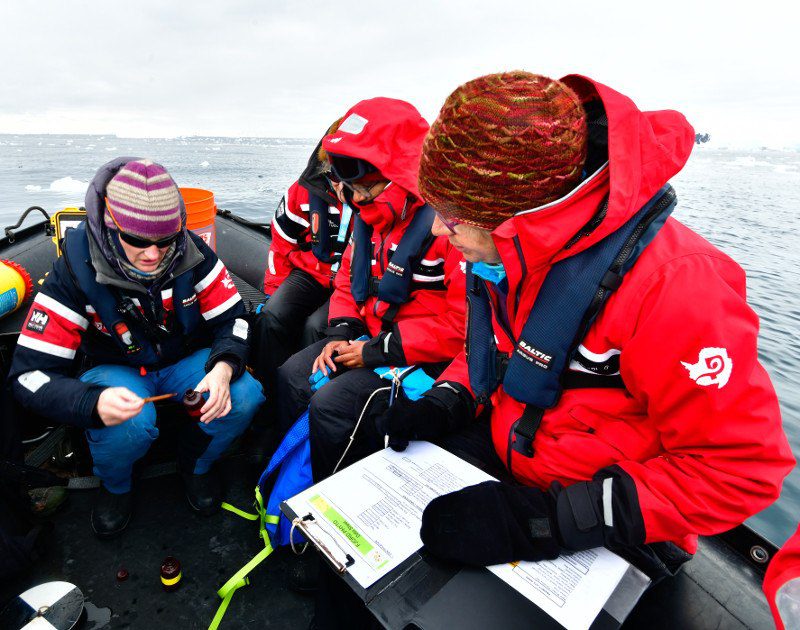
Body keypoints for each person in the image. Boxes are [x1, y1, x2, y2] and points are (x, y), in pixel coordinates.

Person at [374, 72, 795, 580]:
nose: (439, 229)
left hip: (614, 516)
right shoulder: (510, 255)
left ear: (517, 213)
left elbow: (738, 470)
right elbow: (498, 345)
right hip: (516, 454)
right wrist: (449, 399)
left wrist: (554, 521)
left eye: (453, 214)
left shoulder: (675, 286)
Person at [8, 158, 265, 538]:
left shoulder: (193, 253)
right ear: (111, 227)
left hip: (184, 361)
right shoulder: (75, 269)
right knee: (127, 426)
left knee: (244, 396)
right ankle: (116, 487)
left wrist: (224, 368)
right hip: (116, 368)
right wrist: (89, 403)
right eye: (138, 241)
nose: (153, 254)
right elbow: (29, 376)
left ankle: (196, 465)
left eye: (165, 241)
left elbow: (235, 318)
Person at [277, 97, 467, 482]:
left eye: (367, 186)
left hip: (422, 357)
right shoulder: (369, 218)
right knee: (290, 376)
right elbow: (348, 279)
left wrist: (376, 351)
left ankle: (329, 496)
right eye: (351, 188)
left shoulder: (452, 230)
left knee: (332, 406)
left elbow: (464, 325)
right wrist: (341, 333)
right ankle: (286, 470)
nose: (358, 199)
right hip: (369, 338)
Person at [252, 119, 351, 411]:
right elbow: (282, 242)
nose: (340, 179)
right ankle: (269, 399)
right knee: (271, 316)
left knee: (315, 328)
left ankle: (304, 407)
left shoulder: (374, 198)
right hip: (312, 272)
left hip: (351, 283)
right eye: (334, 169)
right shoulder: (303, 191)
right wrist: (273, 289)